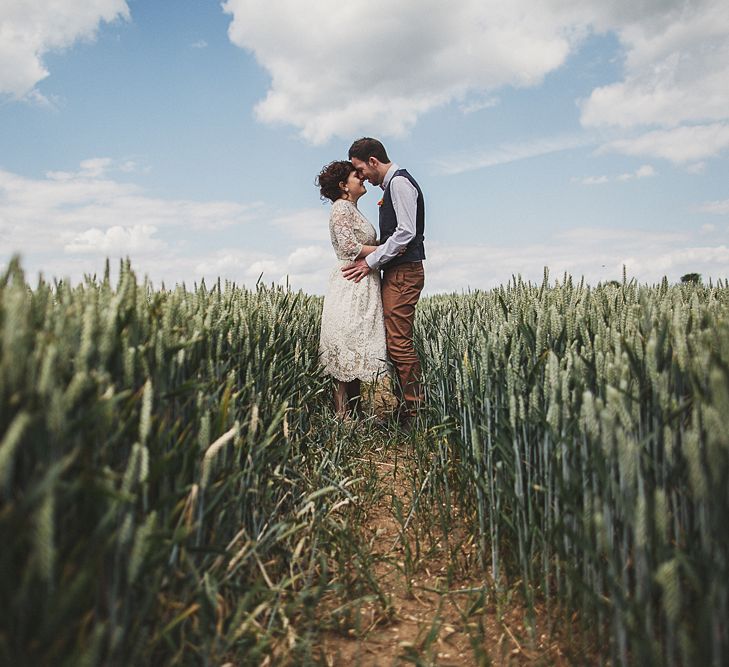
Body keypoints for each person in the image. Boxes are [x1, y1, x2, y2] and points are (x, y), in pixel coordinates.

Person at [342, 138, 426, 425]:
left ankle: (413, 415)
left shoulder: (400, 184)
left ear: (373, 161)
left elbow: (405, 233)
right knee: (395, 341)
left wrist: (370, 261)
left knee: (400, 343)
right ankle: (407, 409)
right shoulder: (392, 187)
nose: (361, 175)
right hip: (397, 271)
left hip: (404, 272)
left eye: (360, 168)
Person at [316, 160, 389, 416]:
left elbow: (361, 243)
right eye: (355, 176)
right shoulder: (341, 208)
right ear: (343, 186)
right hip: (351, 281)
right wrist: (386, 249)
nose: (362, 178)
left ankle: (355, 410)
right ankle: (342, 414)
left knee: (355, 343)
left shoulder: (352, 209)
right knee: (345, 340)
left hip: (363, 280)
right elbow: (349, 247)